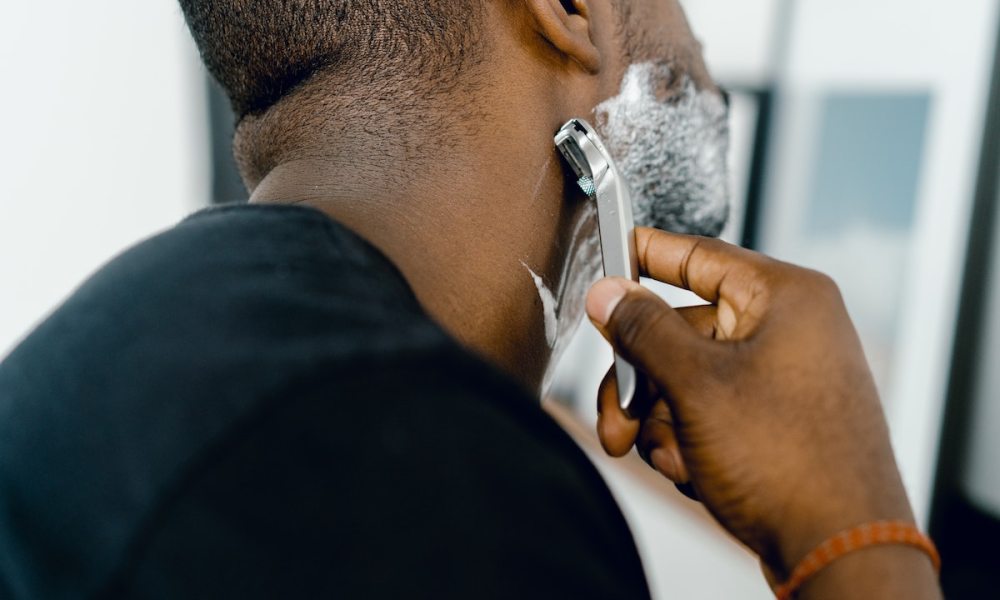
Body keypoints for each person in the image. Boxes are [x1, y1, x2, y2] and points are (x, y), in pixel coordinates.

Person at [0, 0, 941, 598]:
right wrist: (858, 538)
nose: (696, 34)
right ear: (570, 9)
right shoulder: (420, 487)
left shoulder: (159, 341)